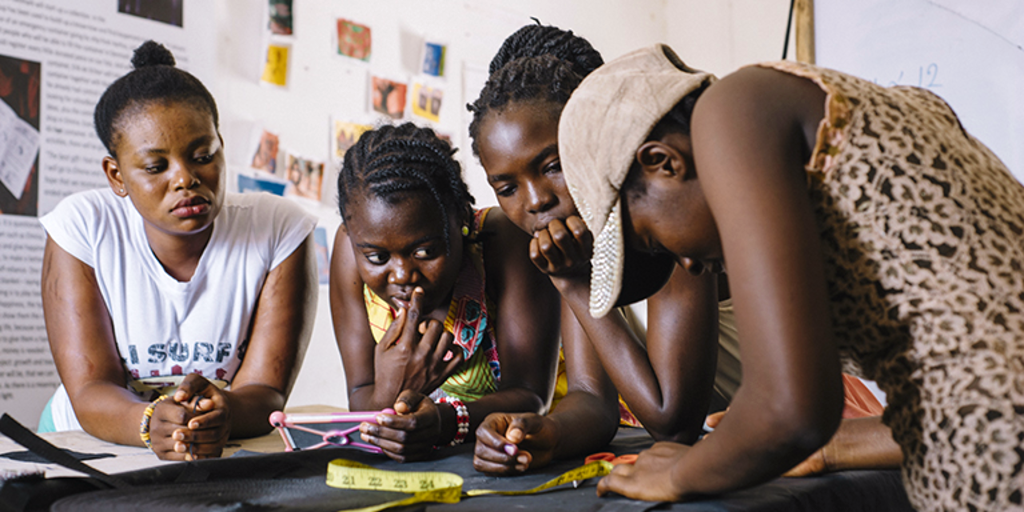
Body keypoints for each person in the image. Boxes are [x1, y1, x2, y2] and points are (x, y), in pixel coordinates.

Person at [556, 44, 1024, 510]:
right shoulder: (859, 112)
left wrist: (678, 473)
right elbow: (962, 371)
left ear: (663, 162)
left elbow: (789, 412)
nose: (690, 266)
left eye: (655, 242)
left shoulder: (733, 111)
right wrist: (834, 445)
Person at [468, 23, 883, 476]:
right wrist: (548, 433)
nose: (536, 202)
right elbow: (592, 397)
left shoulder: (669, 211)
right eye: (507, 186)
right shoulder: (578, 233)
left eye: (555, 165)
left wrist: (571, 282)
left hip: (828, 419)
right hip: (767, 433)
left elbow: (673, 420)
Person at [38, 41, 317, 461]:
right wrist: (151, 423)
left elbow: (266, 390)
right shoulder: (82, 225)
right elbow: (90, 387)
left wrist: (226, 413)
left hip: (214, 442)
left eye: (203, 155)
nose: (186, 179)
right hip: (89, 441)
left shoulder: (277, 227)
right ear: (116, 175)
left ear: (221, 145)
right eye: (155, 167)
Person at [330, 122, 561, 462]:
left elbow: (530, 395)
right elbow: (360, 396)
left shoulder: (504, 241)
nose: (403, 275)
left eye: (424, 252)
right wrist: (392, 390)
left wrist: (444, 421)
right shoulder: (350, 251)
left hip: (547, 439)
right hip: (446, 454)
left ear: (462, 218)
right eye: (377, 257)